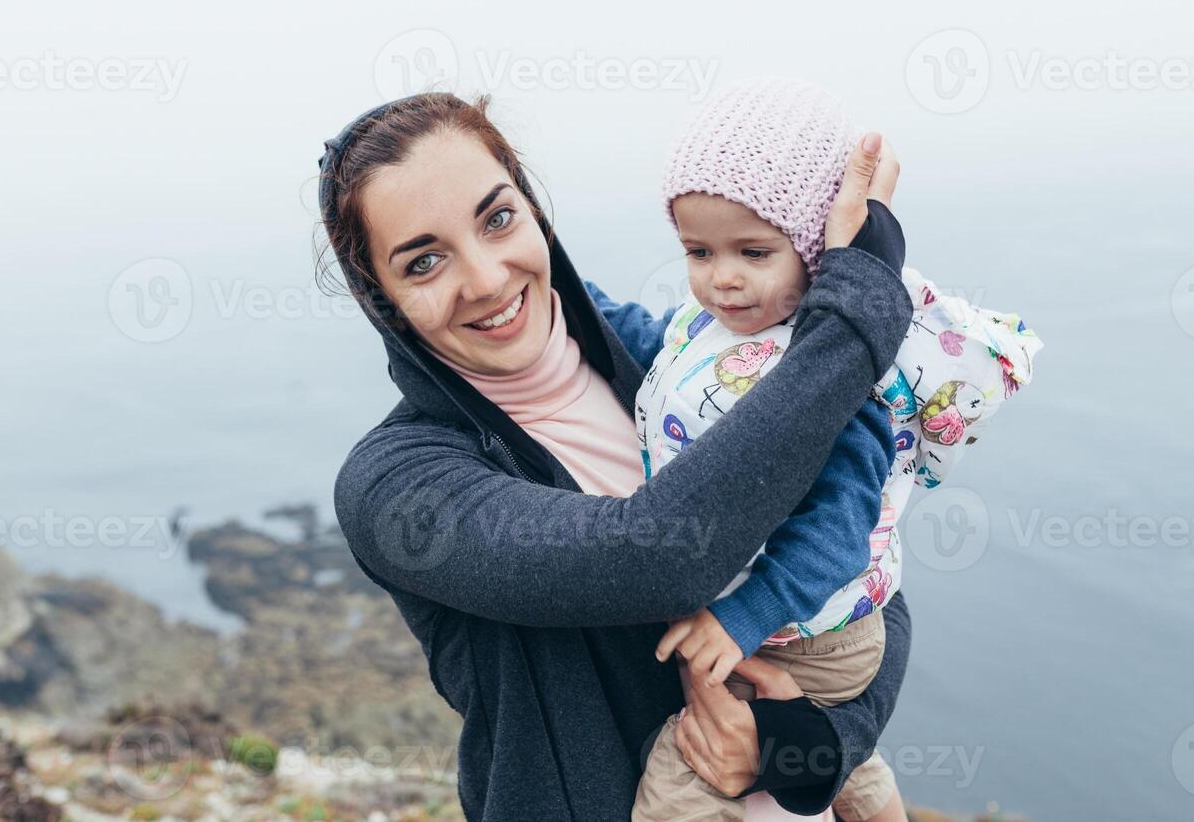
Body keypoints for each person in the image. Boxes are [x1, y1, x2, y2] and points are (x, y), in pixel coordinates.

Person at [317, 91, 912, 821]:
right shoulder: (398, 488)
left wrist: (798, 747)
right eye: (424, 261)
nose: (487, 278)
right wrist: (856, 313)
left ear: (535, 211)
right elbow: (655, 557)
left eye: (497, 218)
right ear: (383, 301)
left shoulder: (670, 360)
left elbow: (867, 575)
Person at [632, 79, 1043, 821]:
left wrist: (742, 617)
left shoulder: (831, 377)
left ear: (819, 248)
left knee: (678, 784)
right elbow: (659, 351)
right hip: (819, 631)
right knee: (852, 765)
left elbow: (839, 528)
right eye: (698, 250)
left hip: (801, 633)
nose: (722, 278)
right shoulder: (727, 330)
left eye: (754, 251)